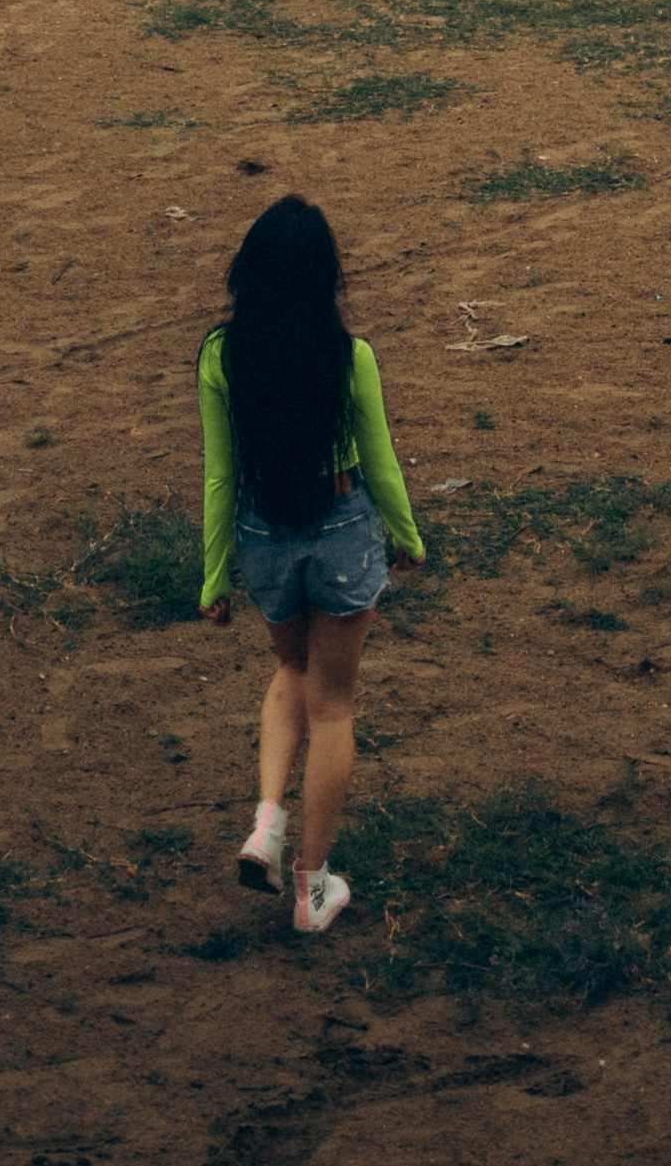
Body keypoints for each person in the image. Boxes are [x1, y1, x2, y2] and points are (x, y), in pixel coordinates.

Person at [198, 192, 424, 936]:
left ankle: (266, 824)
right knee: (333, 704)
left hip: (263, 535)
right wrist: (407, 534)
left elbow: (220, 476)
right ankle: (312, 884)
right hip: (341, 532)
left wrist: (213, 576)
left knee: (291, 669)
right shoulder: (349, 357)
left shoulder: (220, 357)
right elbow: (379, 460)